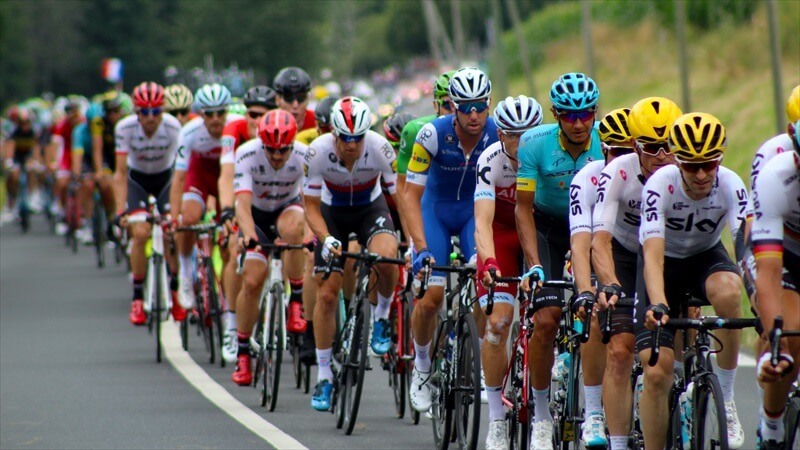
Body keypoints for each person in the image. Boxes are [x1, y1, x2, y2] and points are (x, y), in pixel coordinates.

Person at [637, 112, 747, 449]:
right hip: (664, 264)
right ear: (676, 160)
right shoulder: (660, 185)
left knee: (731, 291)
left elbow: (747, 250)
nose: (701, 174)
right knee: (657, 371)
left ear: (719, 159)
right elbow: (652, 257)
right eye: (690, 166)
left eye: (709, 164)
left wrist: (761, 299)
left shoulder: (730, 184)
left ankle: (726, 398)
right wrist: (657, 302)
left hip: (704, 257)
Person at [514, 72, 603, 449]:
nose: (580, 123)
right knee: (547, 319)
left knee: (600, 312)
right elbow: (522, 209)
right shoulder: (534, 143)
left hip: (595, 225)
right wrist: (533, 262)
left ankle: (597, 409)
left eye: (586, 114)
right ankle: (541, 415)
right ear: (555, 114)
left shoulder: (607, 140)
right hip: (548, 227)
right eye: (569, 115)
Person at [589, 99, 682, 450]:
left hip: (666, 254)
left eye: (668, 147)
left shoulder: (687, 171)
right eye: (651, 147)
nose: (662, 155)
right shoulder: (620, 172)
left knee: (683, 325)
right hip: (625, 256)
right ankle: (617, 443)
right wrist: (609, 282)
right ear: (634, 146)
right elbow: (600, 240)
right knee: (619, 350)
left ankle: (688, 393)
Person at [405, 67, 498, 413]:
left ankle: (480, 361)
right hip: (436, 212)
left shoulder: (498, 133)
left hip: (473, 213)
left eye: (479, 106)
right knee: (432, 296)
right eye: (465, 107)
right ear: (453, 108)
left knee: (486, 286)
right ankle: (423, 366)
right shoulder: (431, 134)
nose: (474, 115)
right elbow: (410, 197)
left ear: (487, 104)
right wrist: (421, 247)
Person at [303, 96, 402, 411]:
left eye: (357, 137)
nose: (351, 144)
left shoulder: (381, 148)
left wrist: (415, 243)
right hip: (331, 214)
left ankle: (382, 316)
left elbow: (400, 200)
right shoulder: (316, 152)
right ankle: (324, 375)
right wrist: (326, 237)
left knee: (386, 257)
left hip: (369, 209)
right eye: (345, 137)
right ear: (333, 133)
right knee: (328, 295)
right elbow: (309, 207)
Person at [472, 95, 543, 449]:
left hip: (537, 233)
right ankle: (496, 419)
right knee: (498, 323)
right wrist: (487, 262)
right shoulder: (491, 159)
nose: (521, 142)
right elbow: (482, 223)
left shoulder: (547, 154)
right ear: (501, 134)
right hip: (501, 234)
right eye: (513, 135)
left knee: (550, 319)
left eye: (529, 133)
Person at [230, 110, 308, 385]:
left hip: (289, 211)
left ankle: (296, 299)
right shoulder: (247, 154)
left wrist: (309, 239)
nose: (277, 156)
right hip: (257, 217)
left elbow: (312, 204)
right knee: (251, 282)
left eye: (283, 150)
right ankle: (242, 353)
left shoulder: (303, 155)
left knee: (294, 228)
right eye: (271, 150)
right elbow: (241, 203)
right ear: (261, 142)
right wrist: (249, 236)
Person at [217, 85, 279, 363]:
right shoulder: (234, 131)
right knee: (232, 244)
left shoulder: (281, 133)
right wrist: (227, 210)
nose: (257, 120)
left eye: (263, 114)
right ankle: (232, 324)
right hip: (244, 197)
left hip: (277, 201)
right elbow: (226, 175)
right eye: (252, 114)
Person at [113, 82, 183, 324]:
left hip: (166, 180)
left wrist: (176, 210)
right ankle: (137, 298)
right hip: (137, 181)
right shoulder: (125, 128)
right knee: (140, 234)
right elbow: (120, 174)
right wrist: (120, 210)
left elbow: (180, 170)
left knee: (171, 232)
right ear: (136, 112)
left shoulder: (173, 127)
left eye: (156, 112)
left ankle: (175, 292)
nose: (151, 118)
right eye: (145, 112)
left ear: (162, 111)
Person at [170, 83, 241, 312]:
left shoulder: (235, 127)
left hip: (226, 180)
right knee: (188, 219)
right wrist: (174, 216)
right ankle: (186, 271)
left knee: (229, 239)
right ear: (201, 113)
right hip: (199, 175)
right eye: (209, 113)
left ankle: (228, 298)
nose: (215, 118)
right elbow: (179, 178)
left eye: (220, 112)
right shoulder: (189, 132)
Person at [750, 119, 800, 450]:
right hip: (783, 253)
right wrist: (777, 338)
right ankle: (771, 423)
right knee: (792, 334)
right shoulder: (776, 177)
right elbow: (768, 273)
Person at [396, 70, 454, 195]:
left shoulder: (488, 129)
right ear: (435, 106)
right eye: (448, 105)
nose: (455, 112)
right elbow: (403, 190)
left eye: (461, 104)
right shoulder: (415, 132)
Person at [273, 66, 315, 131]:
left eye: (301, 98)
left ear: (307, 99)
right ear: (277, 100)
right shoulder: (268, 122)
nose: (295, 105)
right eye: (289, 98)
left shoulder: (317, 122)